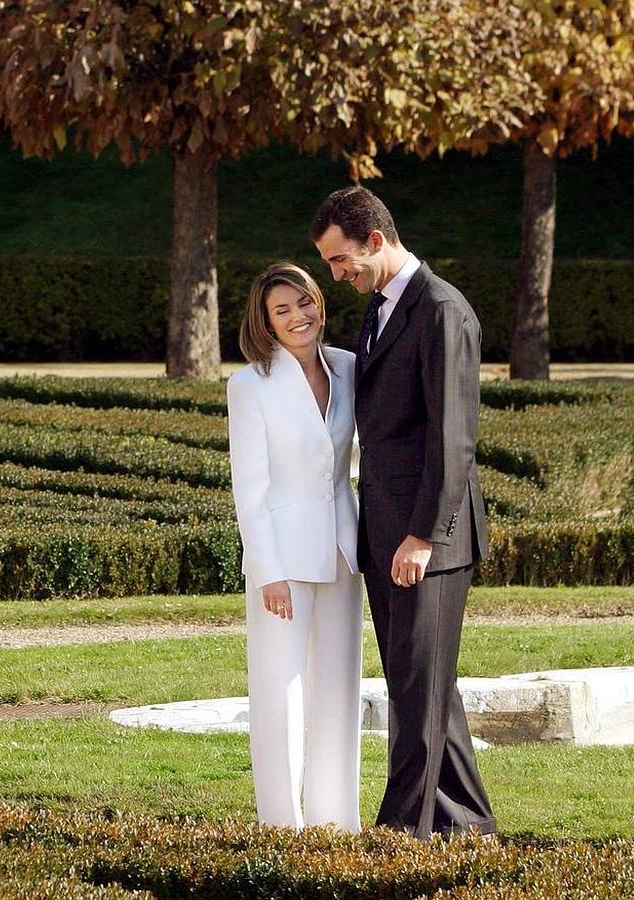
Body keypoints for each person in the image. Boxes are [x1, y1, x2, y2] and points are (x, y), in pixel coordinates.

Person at [310, 186, 496, 839]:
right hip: (387, 532)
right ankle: (468, 828)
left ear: (376, 241)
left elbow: (454, 439)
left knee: (416, 696)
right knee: (427, 691)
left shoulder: (442, 311)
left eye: (340, 261)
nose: (338, 276)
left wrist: (422, 535)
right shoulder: (380, 309)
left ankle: (398, 840)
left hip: (428, 539)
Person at [226, 261, 363, 832]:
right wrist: (267, 571)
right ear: (266, 323)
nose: (297, 316)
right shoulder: (249, 384)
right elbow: (249, 489)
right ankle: (283, 825)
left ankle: (336, 824)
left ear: (319, 305)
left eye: (303, 303)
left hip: (343, 551)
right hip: (280, 557)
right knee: (279, 692)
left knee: (338, 689)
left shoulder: (350, 367)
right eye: (281, 311)